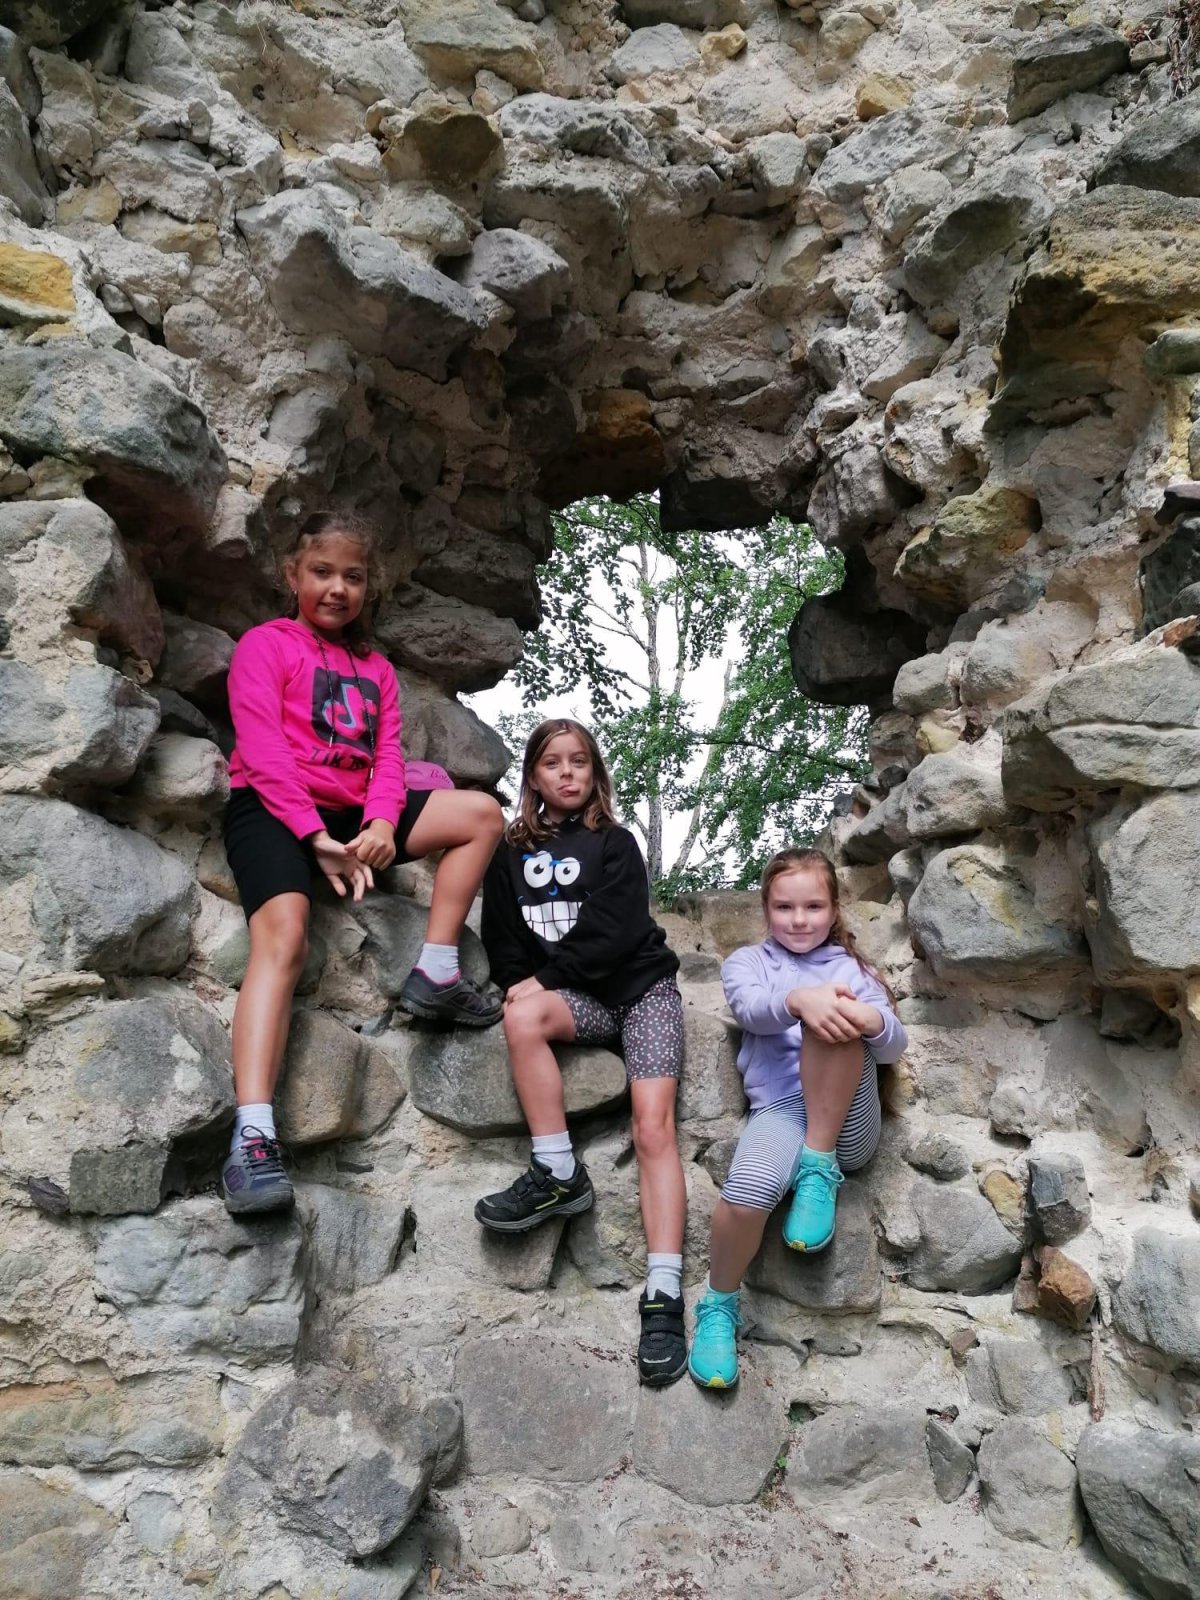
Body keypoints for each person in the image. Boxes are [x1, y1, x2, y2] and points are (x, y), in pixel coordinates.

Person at [220, 510, 504, 1215]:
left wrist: (380, 822)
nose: (337, 589)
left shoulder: (375, 669)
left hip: (353, 813)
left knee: (480, 815)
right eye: (322, 572)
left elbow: (388, 759)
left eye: (352, 576)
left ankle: (436, 971)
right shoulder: (266, 645)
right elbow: (261, 748)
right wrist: (313, 834)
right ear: (292, 574)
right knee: (284, 939)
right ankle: (252, 1137)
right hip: (273, 807)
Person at [477, 718, 689, 1386]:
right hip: (580, 1002)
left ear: (595, 773)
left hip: (642, 992)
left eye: (578, 762)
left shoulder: (615, 843)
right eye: (552, 763)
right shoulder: (510, 854)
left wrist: (549, 974)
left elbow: (616, 928)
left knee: (652, 1128)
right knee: (520, 1014)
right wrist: (527, 981)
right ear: (533, 777)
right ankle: (557, 1170)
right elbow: (503, 937)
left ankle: (664, 1293)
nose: (566, 773)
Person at [688, 847, 907, 1389]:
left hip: (848, 1119)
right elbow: (750, 1009)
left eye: (813, 906)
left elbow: (892, 1047)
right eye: (785, 907)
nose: (800, 919)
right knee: (746, 1193)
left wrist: (866, 1016)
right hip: (782, 1108)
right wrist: (798, 1000)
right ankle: (718, 1307)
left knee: (835, 1016)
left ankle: (818, 1167)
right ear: (766, 909)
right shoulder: (747, 963)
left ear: (833, 911)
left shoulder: (852, 969)